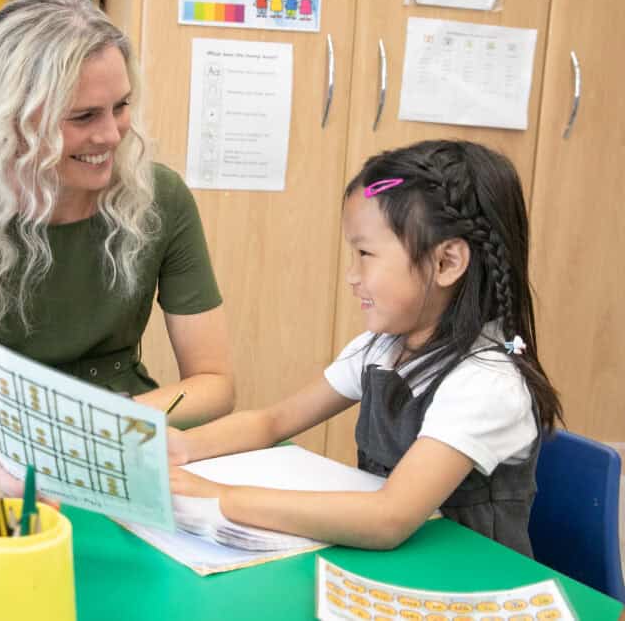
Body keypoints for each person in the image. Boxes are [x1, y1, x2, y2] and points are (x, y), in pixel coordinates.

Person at [168, 140, 563, 555]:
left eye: (366, 253)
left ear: (446, 263)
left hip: (470, 589)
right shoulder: (381, 349)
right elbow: (274, 420)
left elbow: (388, 517)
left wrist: (219, 497)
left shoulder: (486, 384)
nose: (352, 276)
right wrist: (184, 446)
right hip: (395, 573)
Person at [0, 0, 235, 489]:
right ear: (15, 118)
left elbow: (214, 383)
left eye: (121, 107)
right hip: (0, 444)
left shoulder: (162, 196)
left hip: (124, 439)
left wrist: (96, 426)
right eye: (84, 116)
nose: (111, 135)